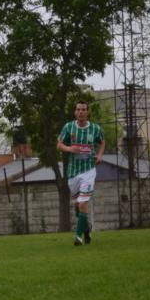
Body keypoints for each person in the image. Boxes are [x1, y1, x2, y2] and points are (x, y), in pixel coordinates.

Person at [57, 100, 106, 246]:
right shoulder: (69, 127)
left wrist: (99, 155)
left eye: (83, 109)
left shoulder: (95, 128)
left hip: (88, 170)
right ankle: (86, 227)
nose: (81, 112)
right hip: (73, 172)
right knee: (78, 206)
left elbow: (102, 142)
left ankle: (78, 237)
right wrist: (69, 149)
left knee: (83, 202)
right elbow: (59, 144)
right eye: (78, 109)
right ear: (75, 112)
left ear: (87, 112)